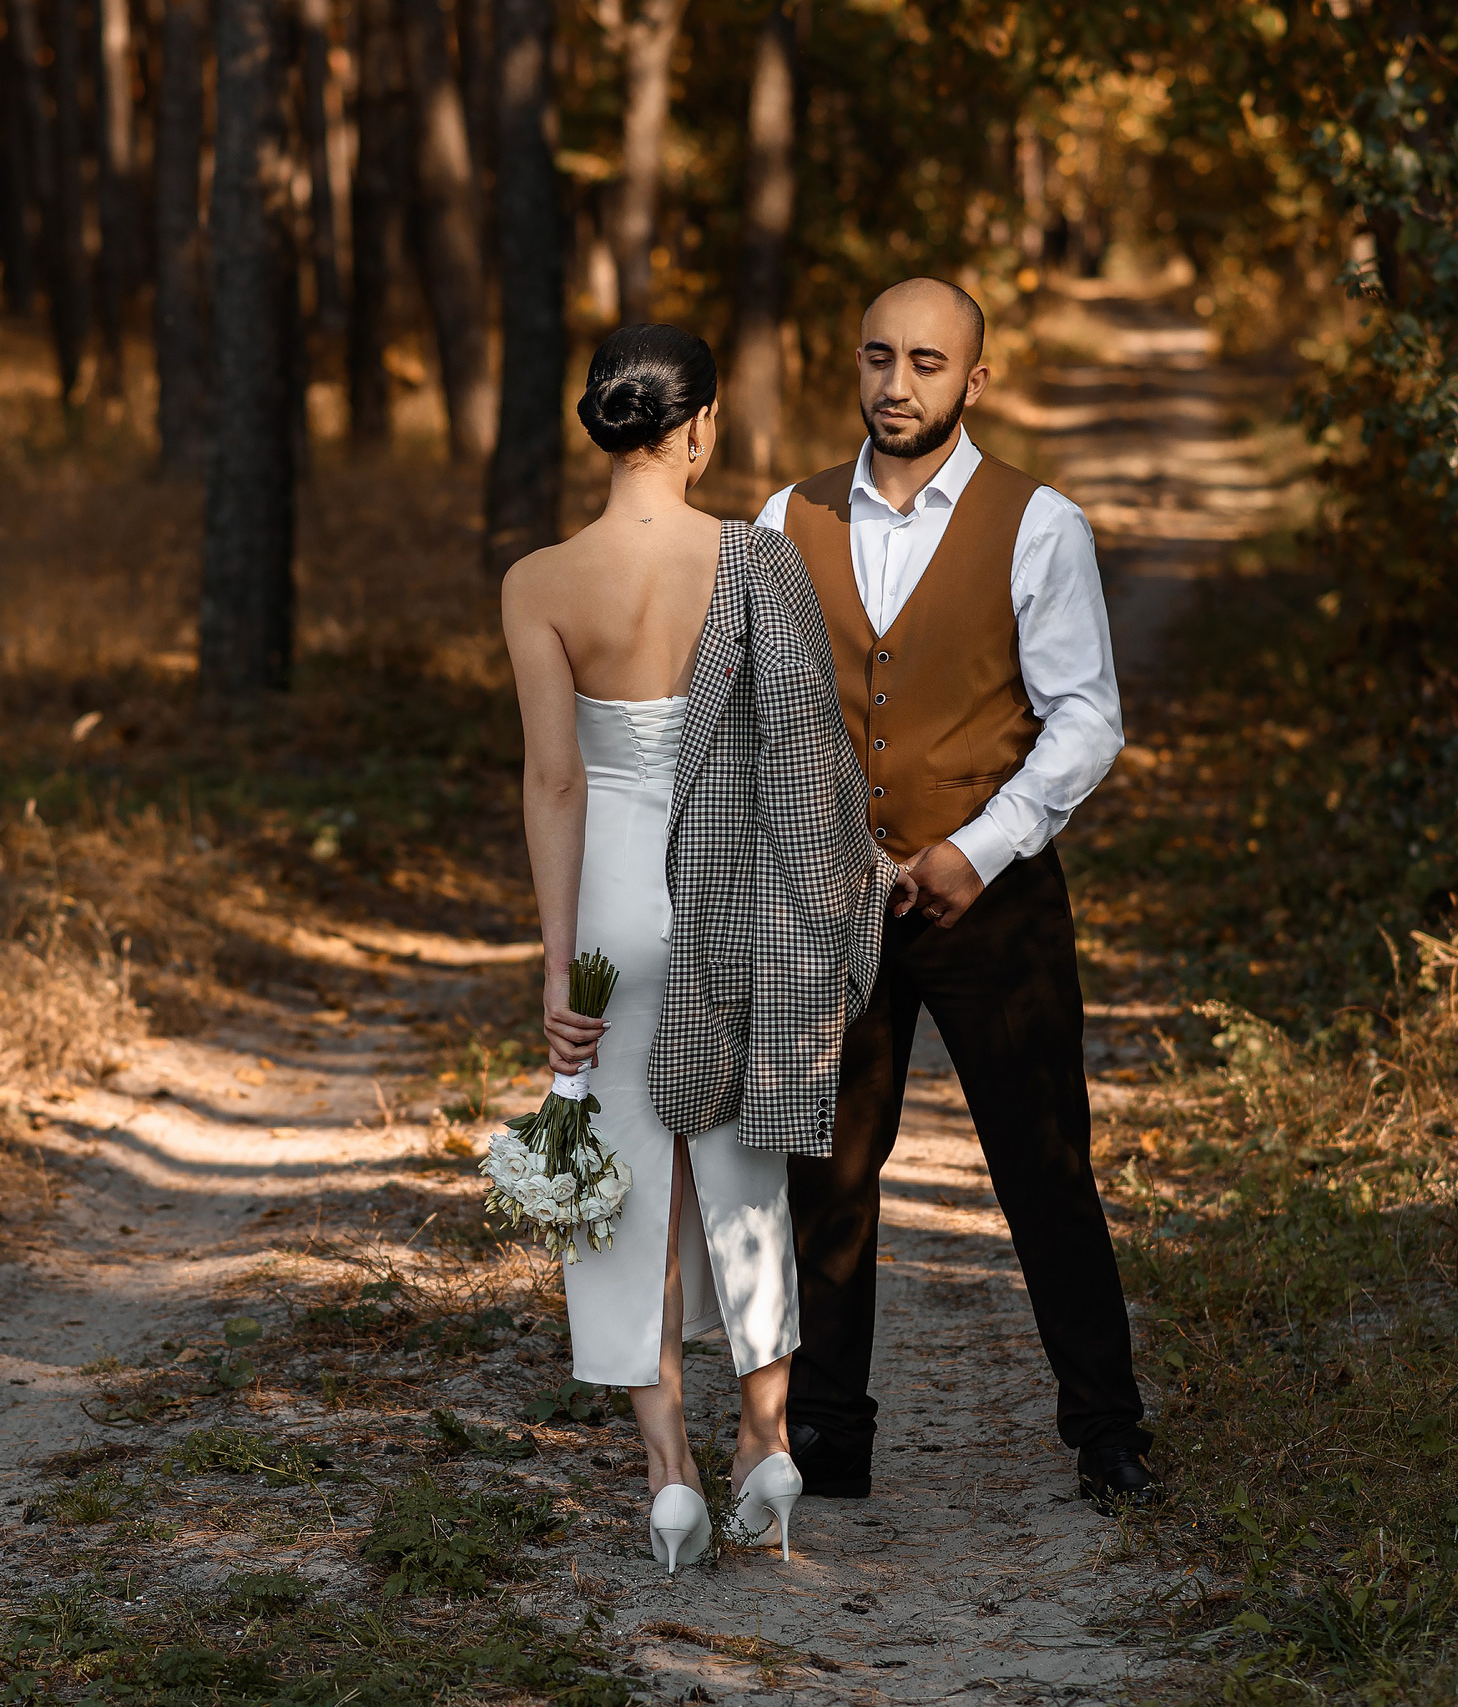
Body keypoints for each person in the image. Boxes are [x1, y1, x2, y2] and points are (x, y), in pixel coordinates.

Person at [502, 325, 911, 1574]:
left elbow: (555, 782)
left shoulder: (539, 582)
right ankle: (765, 1444)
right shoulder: (760, 559)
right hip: (739, 898)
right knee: (743, 1181)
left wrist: (556, 966)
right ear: (700, 429)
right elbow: (803, 751)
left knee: (622, 1185)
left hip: (617, 909)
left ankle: (668, 1476)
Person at [751, 277, 1157, 1509]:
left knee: (1043, 1164)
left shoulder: (1038, 525)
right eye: (878, 357)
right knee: (825, 1170)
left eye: (926, 362)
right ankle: (827, 1432)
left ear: (973, 382)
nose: (895, 384)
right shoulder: (784, 516)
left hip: (996, 903)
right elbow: (770, 715)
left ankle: (1105, 1433)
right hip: (835, 900)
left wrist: (980, 848)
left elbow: (1087, 721)